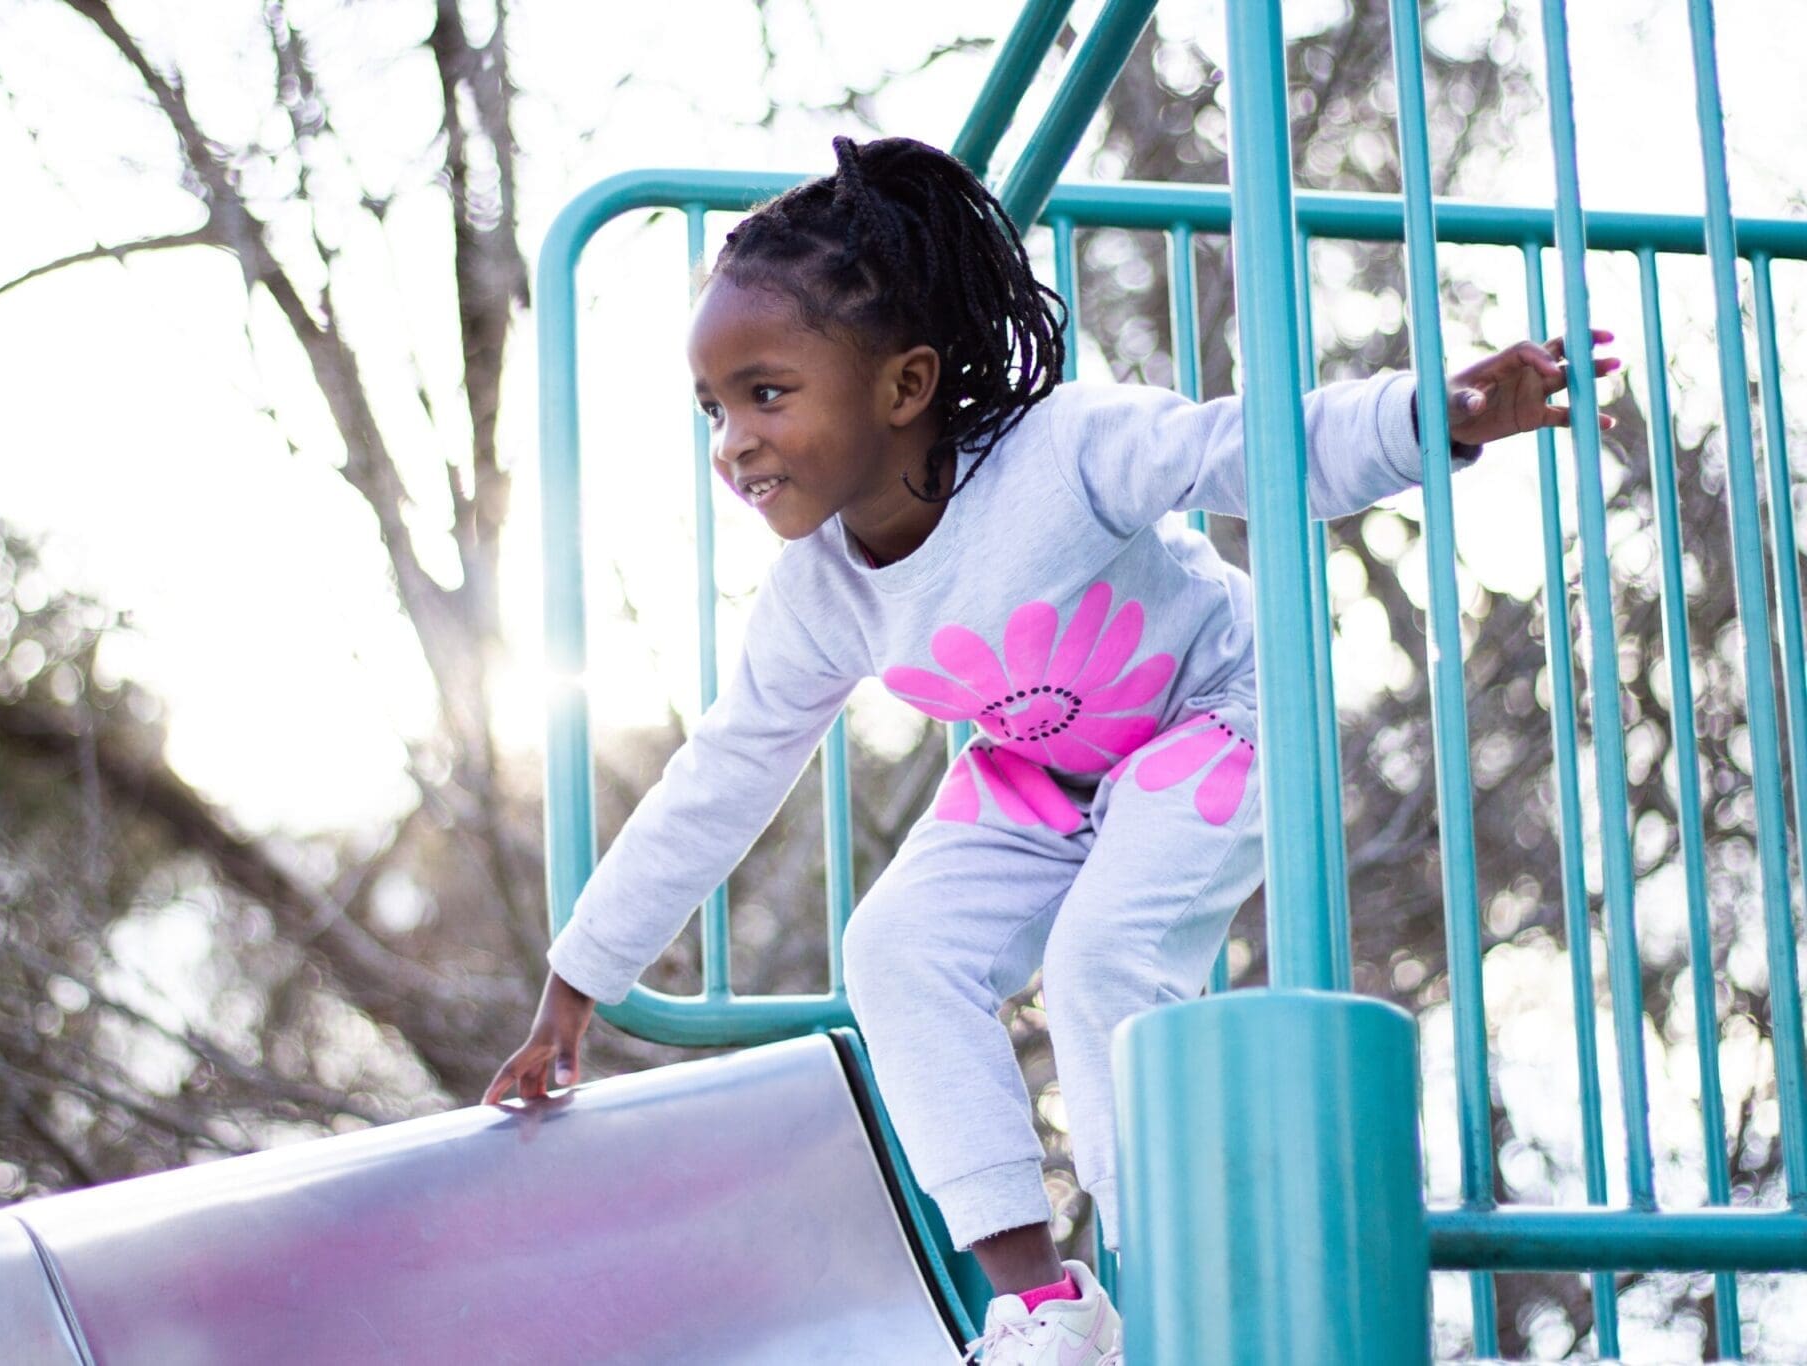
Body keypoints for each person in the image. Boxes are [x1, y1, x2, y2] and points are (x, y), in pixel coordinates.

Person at [483, 135, 1617, 1365]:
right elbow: (719, 779)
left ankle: (1172, 1289)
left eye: (766, 393)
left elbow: (1236, 445)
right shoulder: (817, 596)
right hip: (1038, 771)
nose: (733, 441)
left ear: (904, 384)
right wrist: (576, 982)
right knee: (895, 947)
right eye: (714, 408)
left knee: (1097, 959)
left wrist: (1426, 415)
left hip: (1213, 712)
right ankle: (1042, 1303)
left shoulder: (1063, 449)